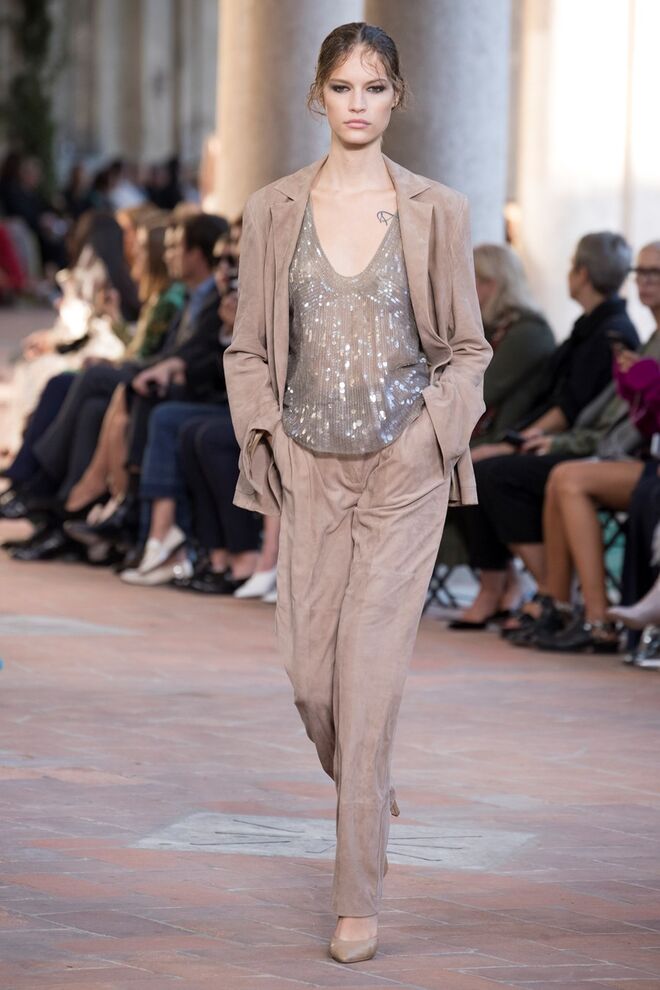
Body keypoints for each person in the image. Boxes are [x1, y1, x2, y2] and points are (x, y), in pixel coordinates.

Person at [224, 22, 491, 964]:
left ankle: (356, 897)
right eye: (343, 87)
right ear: (318, 96)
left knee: (368, 683)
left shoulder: (436, 209)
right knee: (310, 678)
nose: (358, 103)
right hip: (310, 466)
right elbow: (249, 348)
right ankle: (367, 787)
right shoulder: (272, 209)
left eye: (375, 87)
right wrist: (269, 435)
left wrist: (429, 439)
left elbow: (468, 349)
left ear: (397, 97)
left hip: (402, 473)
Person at [450, 231, 638, 628]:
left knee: (488, 473)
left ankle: (552, 593)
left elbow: (568, 409)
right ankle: (520, 588)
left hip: (579, 447)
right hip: (558, 439)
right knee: (474, 467)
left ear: (582, 274)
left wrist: (512, 444)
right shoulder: (589, 327)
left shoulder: (608, 332)